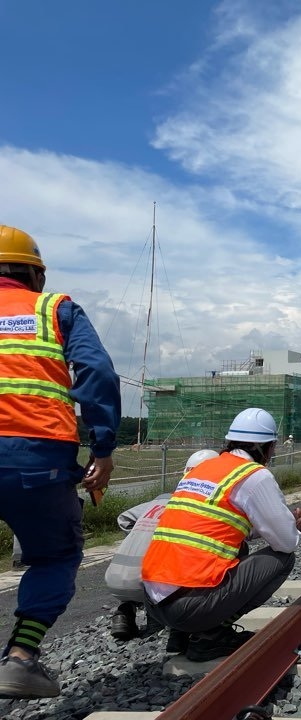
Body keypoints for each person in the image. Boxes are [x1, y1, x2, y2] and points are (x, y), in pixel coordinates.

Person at [0, 224, 121, 699]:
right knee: (56, 555)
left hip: (36, 454)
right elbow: (96, 371)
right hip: (36, 457)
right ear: (36, 274)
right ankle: (20, 658)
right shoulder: (55, 310)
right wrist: (104, 448)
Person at [141, 409, 301, 663]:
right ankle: (210, 637)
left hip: (153, 602)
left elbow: (218, 526)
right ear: (264, 447)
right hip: (187, 607)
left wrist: (279, 523)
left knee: (235, 546)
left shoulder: (203, 468)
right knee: (282, 560)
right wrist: (290, 525)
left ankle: (184, 634)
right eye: (273, 448)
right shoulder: (253, 475)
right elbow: (286, 541)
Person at [106, 449, 220, 652]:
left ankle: (125, 611)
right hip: (149, 582)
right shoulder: (197, 506)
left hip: (115, 578)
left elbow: (123, 518)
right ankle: (177, 628)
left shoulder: (159, 500)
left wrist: (141, 538)